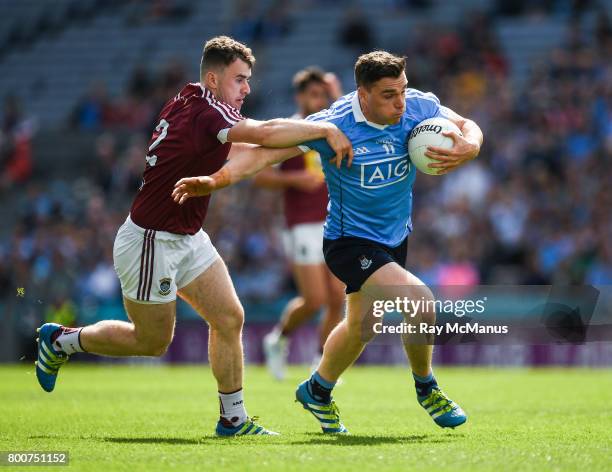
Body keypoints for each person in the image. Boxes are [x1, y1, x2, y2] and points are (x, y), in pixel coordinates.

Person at [34, 36, 352, 437]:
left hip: (186, 236)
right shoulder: (209, 110)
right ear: (215, 79)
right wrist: (323, 127)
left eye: (249, 79)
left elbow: (256, 149)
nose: (247, 88)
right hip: (152, 240)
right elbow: (266, 133)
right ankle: (61, 340)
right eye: (240, 79)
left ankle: (233, 419)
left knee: (229, 317)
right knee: (151, 342)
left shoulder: (192, 97)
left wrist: (308, 133)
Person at [172, 50, 483, 433]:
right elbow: (260, 157)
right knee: (420, 302)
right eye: (389, 95)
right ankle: (427, 387)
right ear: (363, 95)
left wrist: (471, 144)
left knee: (361, 327)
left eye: (402, 90)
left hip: (395, 238)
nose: (400, 102)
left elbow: (467, 124)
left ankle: (317, 390)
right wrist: (216, 180)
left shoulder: (419, 107)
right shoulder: (332, 124)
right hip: (348, 241)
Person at [254, 67, 345, 380]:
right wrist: (296, 179)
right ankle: (278, 340)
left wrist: (337, 93)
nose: (319, 100)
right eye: (313, 94)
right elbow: (260, 175)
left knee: (336, 298)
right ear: (300, 96)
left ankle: (321, 364)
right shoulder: (290, 129)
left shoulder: (331, 128)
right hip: (302, 223)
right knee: (314, 300)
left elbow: (356, 118)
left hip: (334, 221)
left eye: (323, 95)